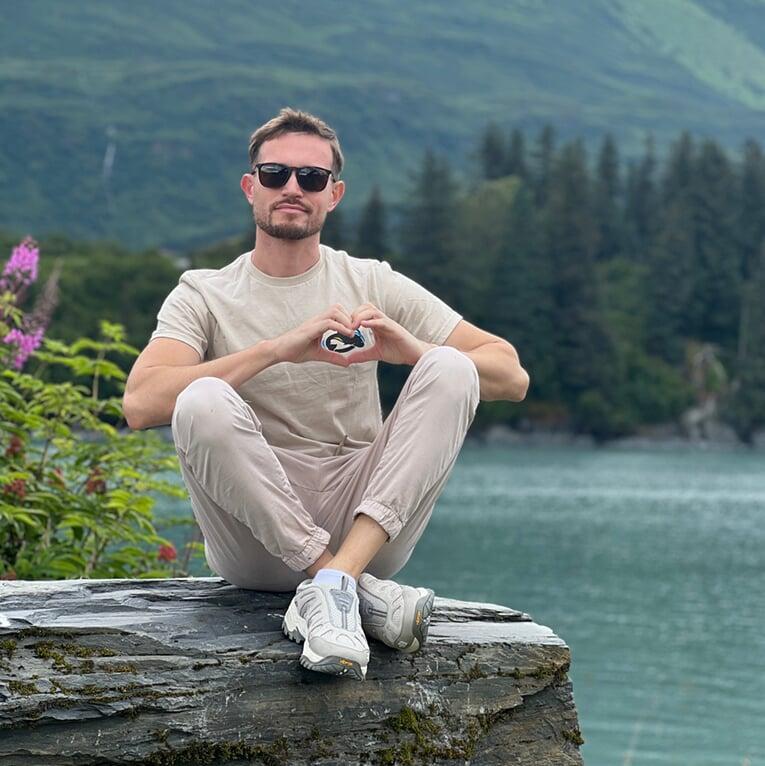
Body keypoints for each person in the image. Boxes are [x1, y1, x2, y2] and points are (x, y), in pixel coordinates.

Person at [123, 107, 530, 681]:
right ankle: (344, 585)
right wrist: (277, 349)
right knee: (200, 398)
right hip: (255, 534)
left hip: (364, 519)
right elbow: (141, 402)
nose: (293, 188)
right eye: (275, 175)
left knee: (450, 366)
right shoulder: (203, 293)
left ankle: (339, 581)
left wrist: (407, 349)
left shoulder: (372, 282)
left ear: (333, 195)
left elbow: (510, 376)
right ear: (250, 188)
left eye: (311, 178)